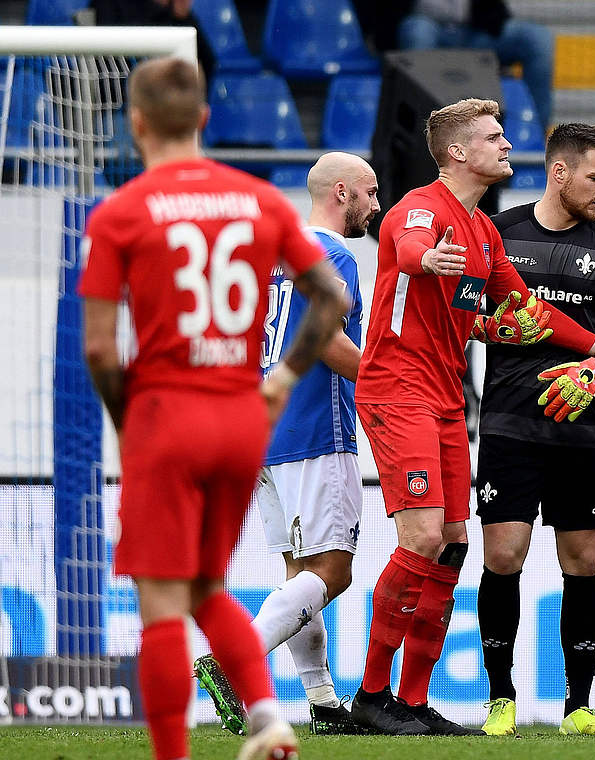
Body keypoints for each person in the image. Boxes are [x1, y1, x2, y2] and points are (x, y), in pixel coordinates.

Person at [80, 57, 350, 760]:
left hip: (167, 419)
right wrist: (281, 381)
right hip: (241, 421)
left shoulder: (121, 212)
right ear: (204, 120)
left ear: (135, 123)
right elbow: (333, 299)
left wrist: (129, 427)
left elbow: (102, 353)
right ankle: (267, 720)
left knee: (163, 606)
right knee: (204, 584)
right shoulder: (259, 200)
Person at [349, 98, 595, 736]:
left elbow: (528, 312)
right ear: (459, 153)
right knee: (419, 539)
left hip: (445, 398)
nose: (507, 144)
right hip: (397, 388)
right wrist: (425, 259)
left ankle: (411, 700)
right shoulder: (423, 207)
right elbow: (405, 242)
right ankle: (371, 694)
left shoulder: (484, 231)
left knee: (452, 545)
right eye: (494, 138)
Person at [474, 123, 595, 737]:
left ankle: (578, 706)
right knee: (503, 554)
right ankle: (499, 698)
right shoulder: (499, 233)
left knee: (582, 560)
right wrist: (493, 329)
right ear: (560, 172)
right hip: (508, 422)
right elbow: (460, 313)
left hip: (583, 430)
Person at [194, 152, 378, 737]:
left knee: (301, 572)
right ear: (342, 192)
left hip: (260, 427)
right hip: (314, 427)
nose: (376, 205)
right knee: (332, 570)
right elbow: (324, 340)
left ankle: (323, 704)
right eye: (371, 193)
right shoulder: (332, 254)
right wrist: (391, 387)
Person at [399, 0, 555, 128]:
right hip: (425, 27)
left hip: (475, 31)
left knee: (537, 39)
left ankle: (536, 137)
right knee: (418, 34)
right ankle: (422, 133)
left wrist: (492, 18)